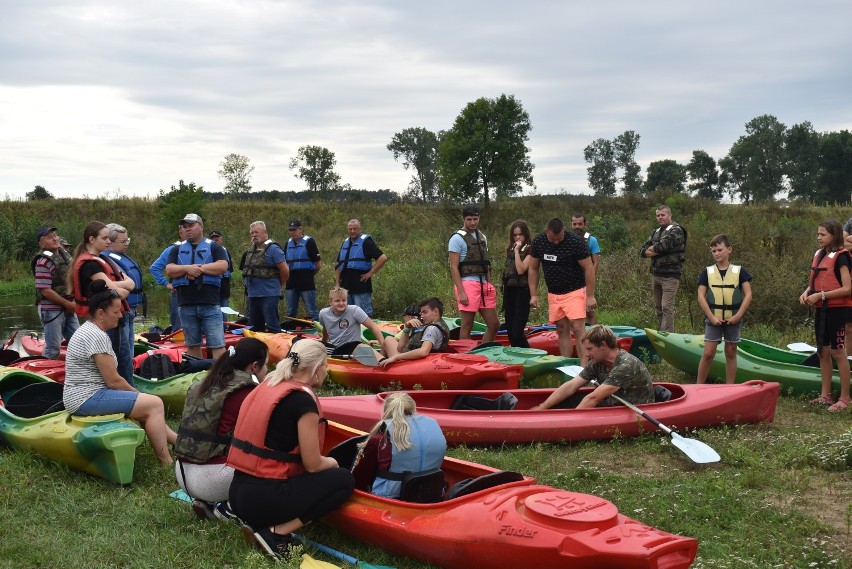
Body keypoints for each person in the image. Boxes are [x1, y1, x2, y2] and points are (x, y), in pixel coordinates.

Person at [227, 339, 355, 560]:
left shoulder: (267, 385)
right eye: (326, 366)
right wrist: (332, 463)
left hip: (237, 495)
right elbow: (313, 465)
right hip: (265, 500)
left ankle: (264, 523)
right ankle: (277, 533)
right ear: (318, 368)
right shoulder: (303, 403)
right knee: (343, 480)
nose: (326, 371)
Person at [63, 280, 176, 465]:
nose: (120, 315)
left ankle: (176, 441)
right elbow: (113, 381)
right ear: (101, 313)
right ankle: (166, 461)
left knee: (146, 406)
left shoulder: (90, 330)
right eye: (115, 312)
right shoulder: (96, 336)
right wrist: (139, 394)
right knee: (154, 404)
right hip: (86, 398)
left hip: (85, 395)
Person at [175, 337, 268, 520]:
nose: (268, 370)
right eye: (267, 365)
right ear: (255, 367)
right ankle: (230, 508)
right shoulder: (246, 391)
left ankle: (209, 502)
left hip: (182, 473)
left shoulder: (205, 382)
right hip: (212, 478)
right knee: (274, 464)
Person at [70, 221, 136, 383]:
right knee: (121, 364)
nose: (109, 241)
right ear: (92, 239)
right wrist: (123, 287)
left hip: (119, 318)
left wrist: (121, 286)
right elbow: (118, 293)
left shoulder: (102, 260)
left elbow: (131, 284)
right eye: (105, 238)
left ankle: (131, 396)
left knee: (126, 362)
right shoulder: (91, 265)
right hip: (106, 320)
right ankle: (131, 399)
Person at [532, 325, 654, 410]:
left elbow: (594, 397)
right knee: (567, 399)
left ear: (603, 345)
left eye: (590, 349)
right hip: (613, 401)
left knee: (584, 401)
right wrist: (543, 406)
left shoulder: (625, 364)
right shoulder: (597, 362)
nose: (586, 354)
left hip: (630, 407)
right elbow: (571, 386)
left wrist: (570, 420)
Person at [528, 218, 597, 364]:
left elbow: (589, 267)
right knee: (561, 328)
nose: (556, 242)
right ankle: (567, 364)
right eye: (553, 239)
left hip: (575, 290)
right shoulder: (539, 242)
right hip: (554, 293)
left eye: (559, 239)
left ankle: (585, 368)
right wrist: (533, 294)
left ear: (564, 231)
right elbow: (533, 268)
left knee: (578, 328)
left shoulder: (575, 242)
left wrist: (590, 295)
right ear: (547, 232)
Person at [799, 220, 851, 412]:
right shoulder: (820, 254)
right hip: (822, 309)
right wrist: (807, 292)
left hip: (837, 310)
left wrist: (820, 295)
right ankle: (825, 395)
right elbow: (817, 280)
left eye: (822, 234)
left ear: (834, 235)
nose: (818, 237)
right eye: (818, 234)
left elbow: (847, 288)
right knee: (823, 352)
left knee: (838, 352)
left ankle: (845, 398)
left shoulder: (842, 257)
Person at [352, 393, 446, 498]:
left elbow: (359, 479)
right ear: (413, 409)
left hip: (392, 498)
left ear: (386, 411)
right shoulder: (431, 431)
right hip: (431, 494)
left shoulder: (380, 441)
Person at [165, 214, 229, 360]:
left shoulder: (214, 247)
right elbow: (170, 269)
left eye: (191, 226)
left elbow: (222, 266)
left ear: (201, 226)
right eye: (185, 227)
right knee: (192, 345)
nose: (187, 229)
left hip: (210, 304)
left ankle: (222, 378)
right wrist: (188, 268)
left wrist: (197, 269)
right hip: (186, 305)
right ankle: (197, 376)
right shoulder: (176, 249)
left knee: (217, 345)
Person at [696, 235, 753, 384]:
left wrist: (738, 315)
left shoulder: (740, 271)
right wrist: (711, 317)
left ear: (729, 250)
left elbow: (748, 294)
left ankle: (730, 388)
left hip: (733, 319)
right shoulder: (707, 272)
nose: (716, 253)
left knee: (730, 352)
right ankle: (698, 386)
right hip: (713, 318)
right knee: (708, 353)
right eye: (713, 250)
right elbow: (701, 296)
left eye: (720, 249)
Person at [448, 204, 500, 343]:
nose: (473, 222)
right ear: (463, 219)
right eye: (469, 219)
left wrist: (489, 284)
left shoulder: (482, 237)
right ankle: (466, 356)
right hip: (468, 284)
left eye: (475, 219)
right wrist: (461, 292)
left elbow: (485, 263)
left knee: (494, 324)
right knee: (467, 324)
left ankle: (485, 349)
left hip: (484, 283)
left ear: (479, 218)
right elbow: (454, 267)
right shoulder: (456, 239)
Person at [104, 223, 145, 383]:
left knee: (129, 351)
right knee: (122, 353)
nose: (127, 243)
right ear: (111, 242)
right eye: (123, 241)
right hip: (119, 313)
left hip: (129, 310)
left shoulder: (119, 257)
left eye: (128, 240)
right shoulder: (107, 259)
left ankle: (129, 381)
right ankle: (124, 384)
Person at [32, 226, 79, 360]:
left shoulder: (66, 256)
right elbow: (46, 291)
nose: (55, 238)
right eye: (49, 237)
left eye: (55, 235)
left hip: (69, 306)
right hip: (51, 310)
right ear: (41, 243)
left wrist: (74, 301)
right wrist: (69, 305)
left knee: (79, 342)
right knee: (53, 348)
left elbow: (72, 280)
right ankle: (45, 375)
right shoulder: (42, 262)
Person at [640, 205, 688, 332]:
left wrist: (653, 249)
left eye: (663, 215)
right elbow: (642, 251)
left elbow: (661, 247)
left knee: (666, 307)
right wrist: (653, 250)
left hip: (670, 276)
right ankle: (662, 333)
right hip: (656, 275)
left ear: (670, 215)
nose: (660, 217)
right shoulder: (656, 231)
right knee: (658, 307)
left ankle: (666, 336)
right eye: (658, 215)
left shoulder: (676, 230)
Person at [239, 221, 289, 332]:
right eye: (252, 233)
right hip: (253, 295)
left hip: (269, 294)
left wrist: (280, 285)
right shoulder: (251, 250)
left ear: (265, 232)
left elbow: (285, 270)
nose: (254, 235)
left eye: (256, 232)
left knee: (272, 325)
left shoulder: (273, 249)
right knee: (255, 327)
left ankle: (277, 346)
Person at [335, 219, 388, 317]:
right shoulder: (345, 242)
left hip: (361, 287)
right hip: (345, 287)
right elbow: (339, 265)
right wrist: (337, 284)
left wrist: (371, 272)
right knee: (347, 315)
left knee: (363, 315)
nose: (352, 231)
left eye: (355, 229)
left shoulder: (366, 242)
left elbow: (383, 258)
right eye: (350, 229)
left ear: (359, 229)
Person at [379, 297, 450, 367]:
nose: (422, 316)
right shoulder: (439, 325)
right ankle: (380, 366)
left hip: (411, 364)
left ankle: (377, 368)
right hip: (413, 360)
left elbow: (423, 352)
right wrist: (407, 327)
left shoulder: (432, 329)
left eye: (425, 312)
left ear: (435, 311)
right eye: (421, 313)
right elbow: (400, 348)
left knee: (387, 340)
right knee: (389, 339)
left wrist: (396, 357)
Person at [317, 287, 386, 356]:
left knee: (360, 346)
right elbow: (326, 330)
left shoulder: (354, 310)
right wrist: (323, 343)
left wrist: (383, 346)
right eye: (337, 301)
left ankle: (381, 359)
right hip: (337, 350)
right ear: (330, 302)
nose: (341, 303)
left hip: (354, 347)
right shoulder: (323, 313)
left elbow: (373, 327)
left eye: (344, 300)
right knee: (313, 344)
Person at [501, 220, 533, 348]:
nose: (518, 237)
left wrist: (517, 251)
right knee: (510, 330)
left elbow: (521, 270)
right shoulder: (510, 249)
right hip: (510, 291)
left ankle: (529, 355)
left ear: (526, 235)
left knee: (517, 332)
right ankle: (517, 354)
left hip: (523, 292)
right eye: (515, 235)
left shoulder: (530, 250)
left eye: (520, 234)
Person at [150, 226, 186, 333]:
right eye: (186, 230)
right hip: (178, 292)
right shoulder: (171, 250)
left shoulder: (202, 248)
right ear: (181, 234)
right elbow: (155, 268)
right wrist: (166, 284)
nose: (189, 232)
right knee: (178, 325)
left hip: (199, 292)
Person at [284, 219, 321, 321]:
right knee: (290, 312)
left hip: (306, 282)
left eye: (294, 230)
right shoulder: (288, 244)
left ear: (300, 229)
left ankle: (316, 331)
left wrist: (309, 275)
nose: (292, 232)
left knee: (312, 311)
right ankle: (289, 331)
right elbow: (284, 263)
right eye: (290, 230)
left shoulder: (309, 242)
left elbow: (318, 264)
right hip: (291, 282)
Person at [571, 214, 601, 324]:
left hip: (585, 281)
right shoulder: (568, 239)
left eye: (580, 224)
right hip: (571, 282)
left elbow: (595, 262)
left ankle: (595, 335)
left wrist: (590, 281)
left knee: (589, 312)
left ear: (585, 224)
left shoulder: (591, 240)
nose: (577, 226)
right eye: (574, 224)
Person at [208, 230, 233, 319]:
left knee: (224, 309)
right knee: (213, 310)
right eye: (212, 239)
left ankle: (224, 327)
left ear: (221, 240)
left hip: (224, 285)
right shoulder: (207, 252)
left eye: (217, 239)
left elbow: (230, 270)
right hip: (212, 285)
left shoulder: (226, 251)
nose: (215, 241)